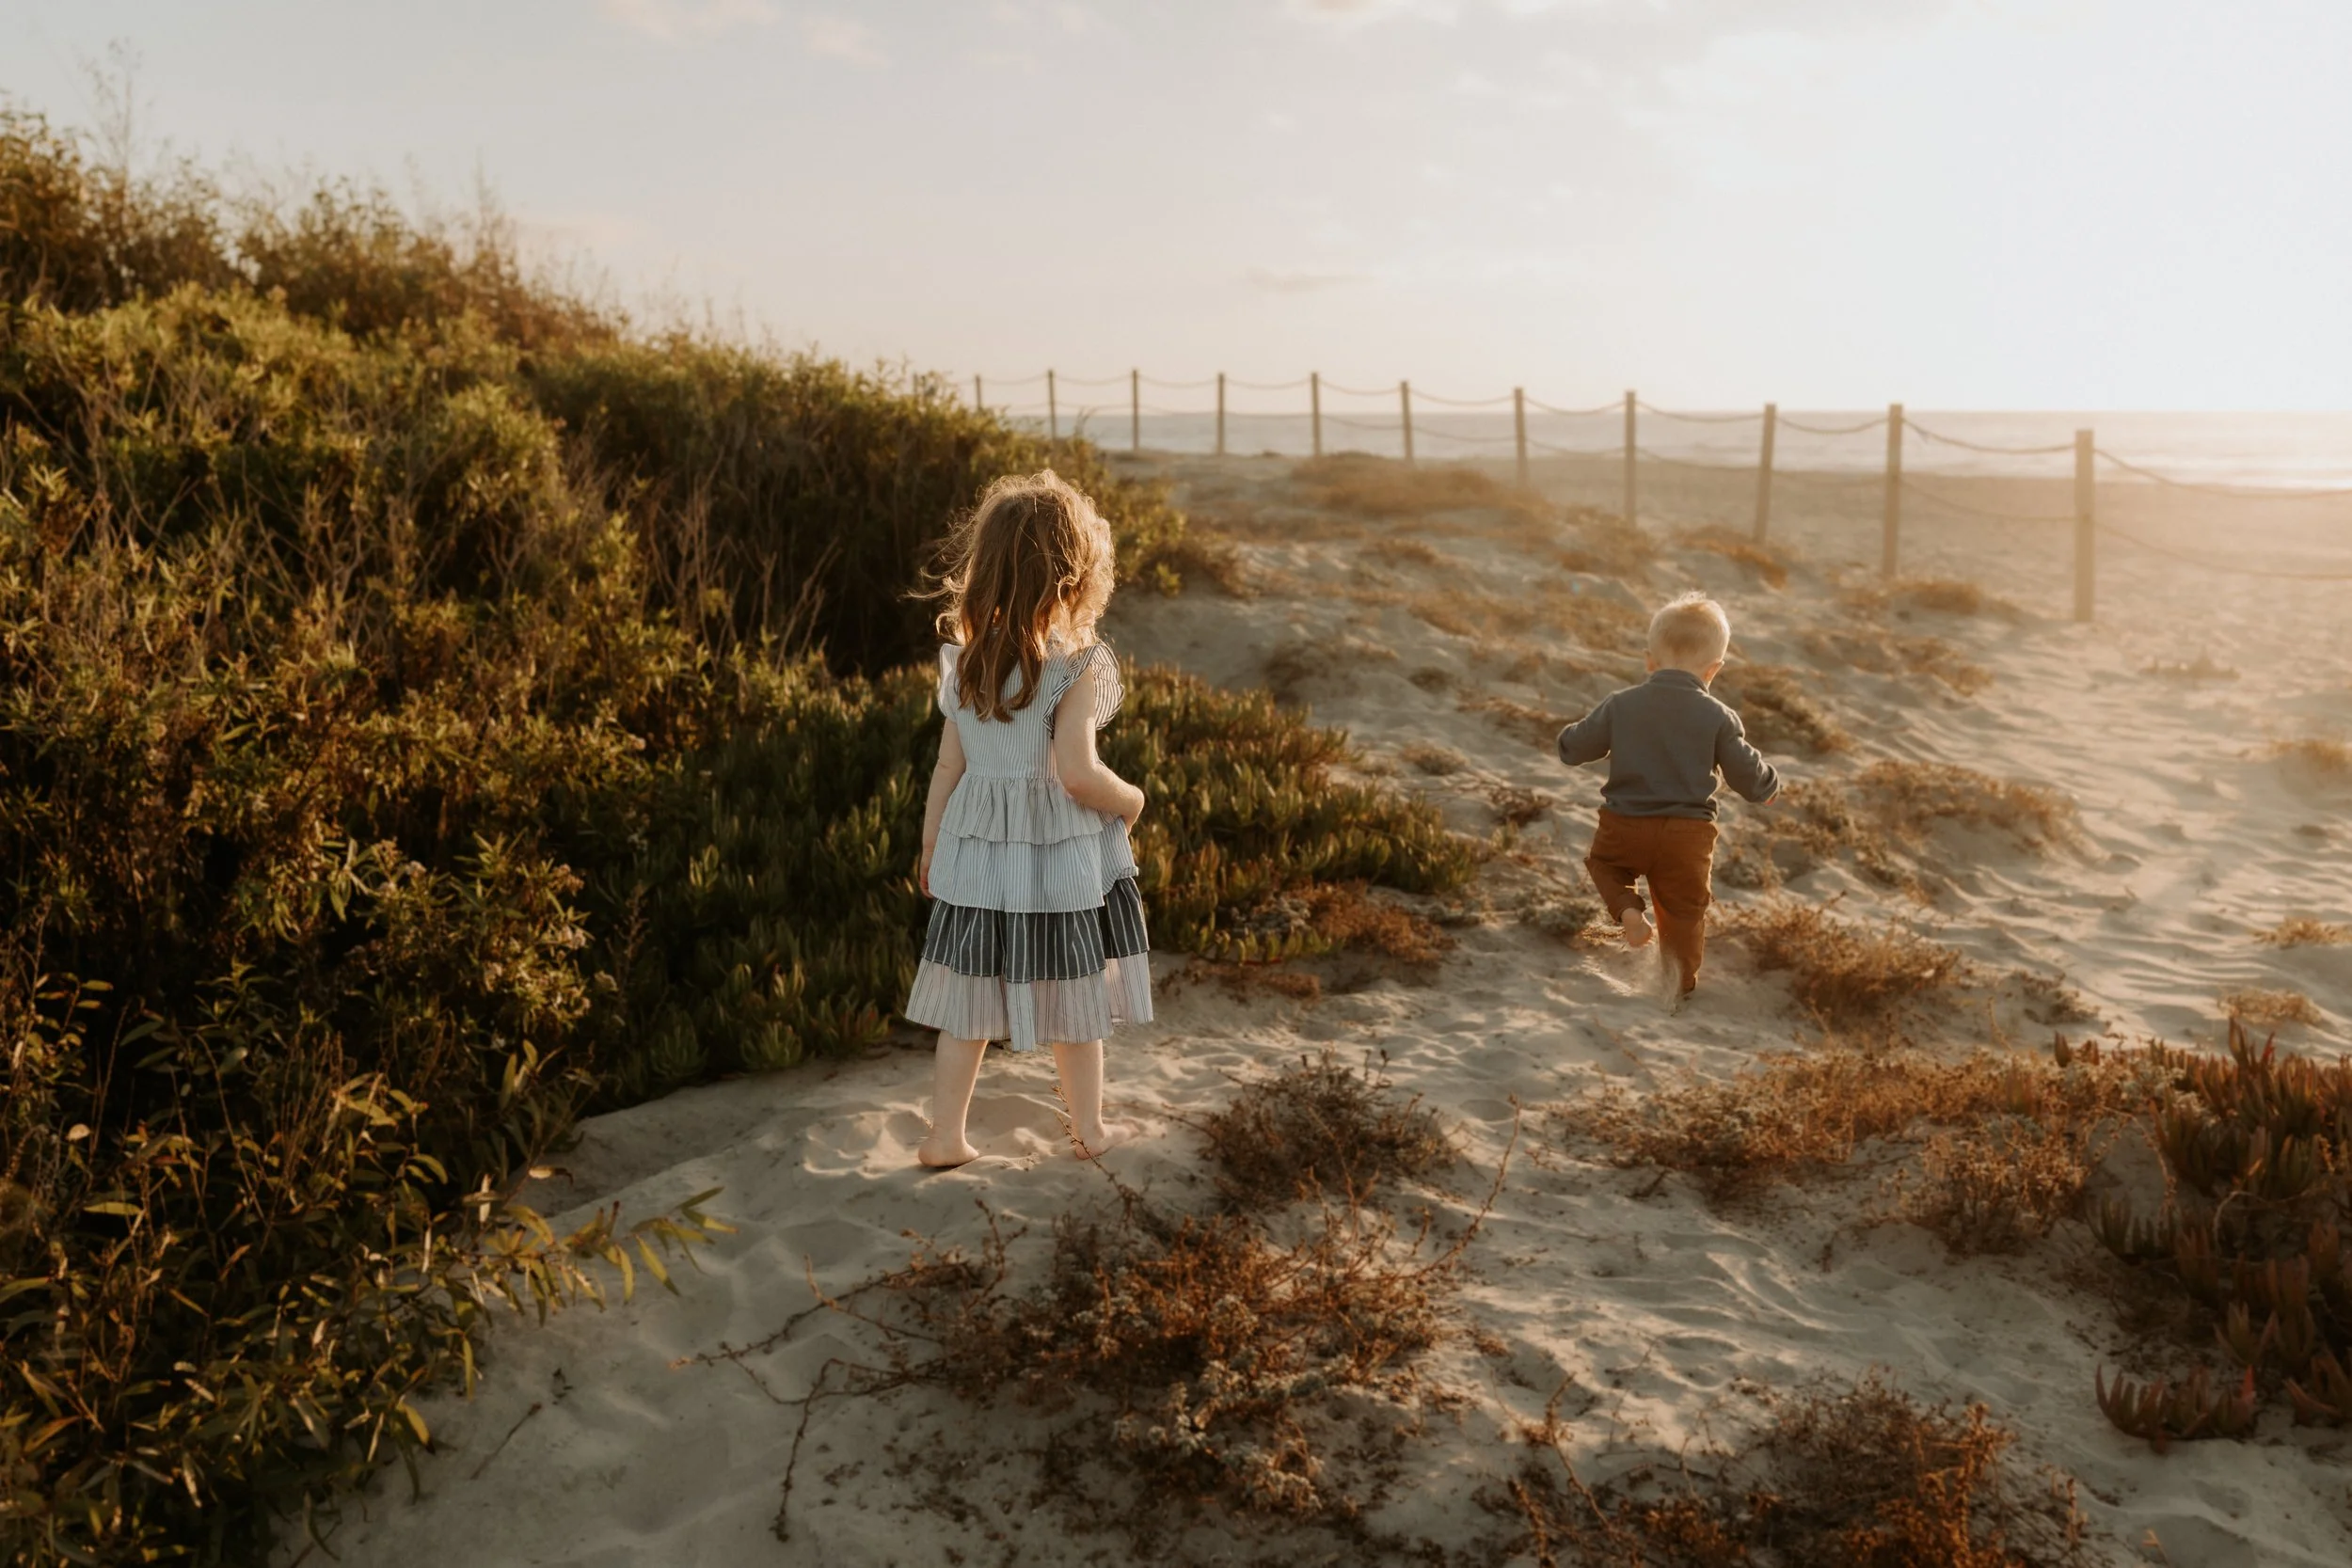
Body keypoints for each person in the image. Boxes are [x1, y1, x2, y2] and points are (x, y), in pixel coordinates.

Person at [904, 470, 1150, 1166]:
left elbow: (948, 768)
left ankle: (944, 1135)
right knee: (1076, 1002)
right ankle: (1090, 1130)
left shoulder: (966, 665)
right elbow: (1077, 772)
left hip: (978, 860)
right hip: (1054, 863)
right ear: (1073, 579)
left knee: (968, 1005)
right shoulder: (1075, 669)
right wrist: (1129, 799)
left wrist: (931, 843)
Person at [1555, 592, 1779, 1010]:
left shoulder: (1621, 705)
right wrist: (1769, 787)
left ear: (1649, 661)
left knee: (1606, 866)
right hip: (1688, 835)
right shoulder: (1719, 716)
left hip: (1625, 823)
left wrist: (1568, 737)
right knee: (1684, 911)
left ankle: (1628, 913)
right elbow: (1750, 779)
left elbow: (1574, 748)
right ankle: (1679, 985)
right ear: (1714, 669)